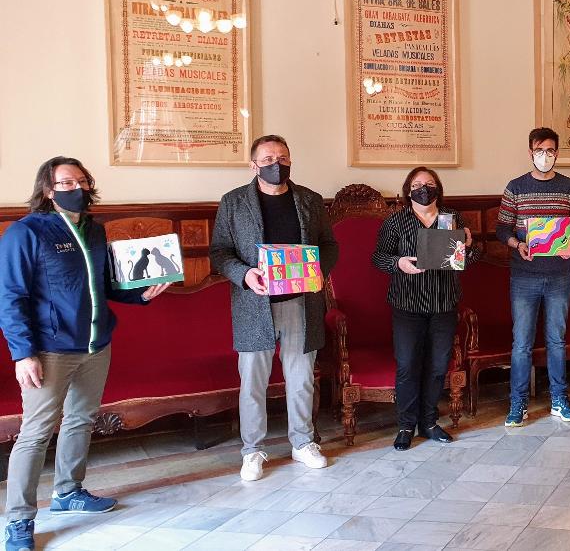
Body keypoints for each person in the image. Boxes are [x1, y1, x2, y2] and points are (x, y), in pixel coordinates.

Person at [0, 157, 170, 551]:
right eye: (65, 182)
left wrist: (141, 295)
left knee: (80, 419)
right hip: (49, 350)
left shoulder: (94, 230)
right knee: (35, 433)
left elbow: (104, 285)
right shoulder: (26, 233)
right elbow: (10, 297)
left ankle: (68, 492)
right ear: (48, 190)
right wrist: (23, 353)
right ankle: (20, 521)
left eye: (81, 180)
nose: (75, 187)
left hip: (96, 344)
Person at [209, 135, 340, 482]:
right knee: (253, 382)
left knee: (301, 379)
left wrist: (319, 271)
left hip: (301, 303)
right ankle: (252, 450)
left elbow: (329, 245)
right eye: (267, 159)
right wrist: (244, 274)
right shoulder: (233, 202)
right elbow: (219, 252)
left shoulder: (310, 200)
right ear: (253, 165)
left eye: (282, 158)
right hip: (255, 305)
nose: (276, 165)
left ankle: (303, 442)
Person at [372, 166, 481, 448]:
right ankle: (406, 425)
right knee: (407, 365)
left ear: (438, 189)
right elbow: (378, 258)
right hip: (407, 304)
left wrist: (468, 247)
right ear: (409, 191)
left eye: (429, 184)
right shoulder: (397, 221)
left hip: (443, 303)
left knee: (437, 366)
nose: (424, 189)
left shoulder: (451, 218)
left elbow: (466, 261)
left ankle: (429, 422)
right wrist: (398, 263)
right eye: (417, 185)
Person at [495, 128, 570, 426]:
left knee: (557, 341)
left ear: (557, 153)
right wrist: (517, 244)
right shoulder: (515, 187)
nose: (544, 156)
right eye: (539, 150)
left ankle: (559, 400)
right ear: (530, 153)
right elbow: (502, 229)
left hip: (560, 275)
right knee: (521, 343)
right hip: (524, 276)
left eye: (549, 150)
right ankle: (518, 404)